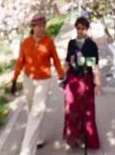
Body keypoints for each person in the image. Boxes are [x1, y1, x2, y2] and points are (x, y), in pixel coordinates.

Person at [11, 14, 65, 155]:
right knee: (31, 111)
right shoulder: (25, 43)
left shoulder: (49, 42)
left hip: (44, 81)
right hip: (28, 80)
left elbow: (56, 60)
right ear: (33, 27)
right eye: (39, 26)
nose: (42, 29)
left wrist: (61, 76)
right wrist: (14, 79)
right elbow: (20, 61)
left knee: (36, 112)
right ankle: (39, 138)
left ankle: (27, 150)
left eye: (43, 26)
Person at [62, 17, 102, 150]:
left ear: (87, 29)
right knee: (71, 110)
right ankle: (74, 138)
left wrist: (98, 84)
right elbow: (67, 61)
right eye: (78, 28)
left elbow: (95, 65)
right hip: (72, 81)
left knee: (88, 111)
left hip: (86, 80)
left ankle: (89, 139)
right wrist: (62, 77)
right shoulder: (71, 43)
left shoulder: (92, 45)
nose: (80, 31)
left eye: (83, 28)